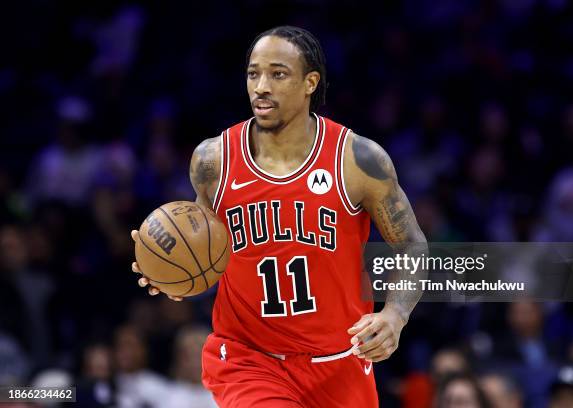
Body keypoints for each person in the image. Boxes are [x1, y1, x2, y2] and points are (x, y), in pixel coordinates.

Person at [131, 25, 426, 407]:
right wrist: (173, 273)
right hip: (249, 360)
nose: (261, 86)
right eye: (253, 73)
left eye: (278, 74)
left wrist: (395, 315)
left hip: (339, 362)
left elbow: (412, 243)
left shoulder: (357, 160)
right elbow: (206, 251)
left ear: (310, 83)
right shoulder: (213, 161)